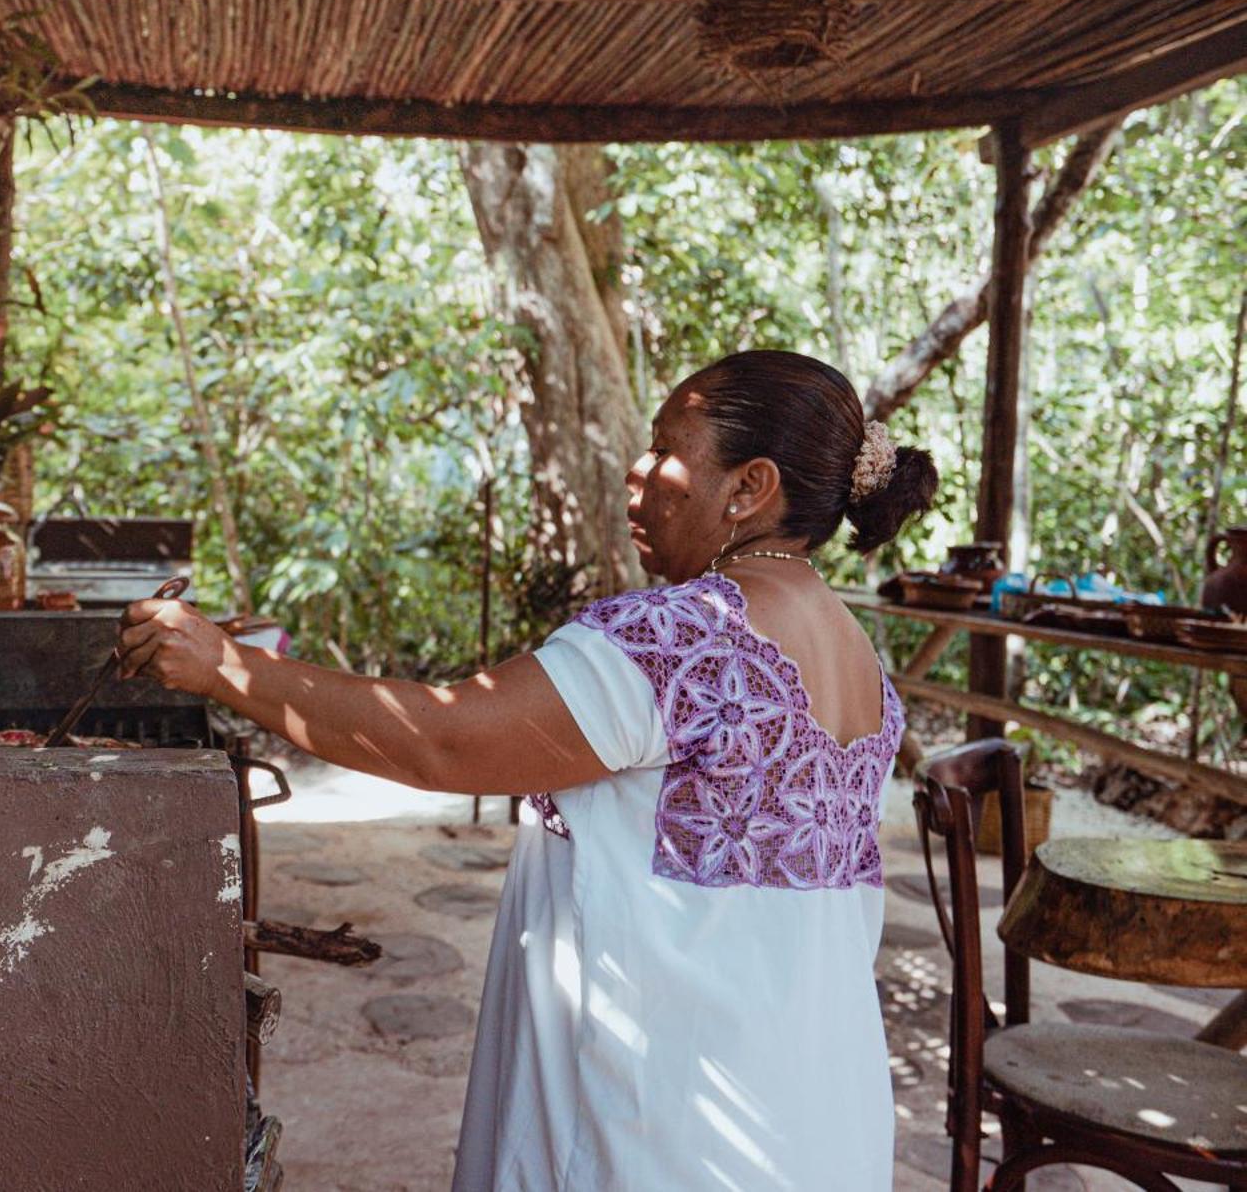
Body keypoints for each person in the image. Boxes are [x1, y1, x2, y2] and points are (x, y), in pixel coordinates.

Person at [116, 349, 939, 1191]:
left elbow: (440, 739)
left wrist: (225, 668)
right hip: (814, 1123)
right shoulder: (856, 653)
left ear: (748, 487)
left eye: (666, 446)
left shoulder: (679, 639)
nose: (639, 467)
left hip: (660, 1132)